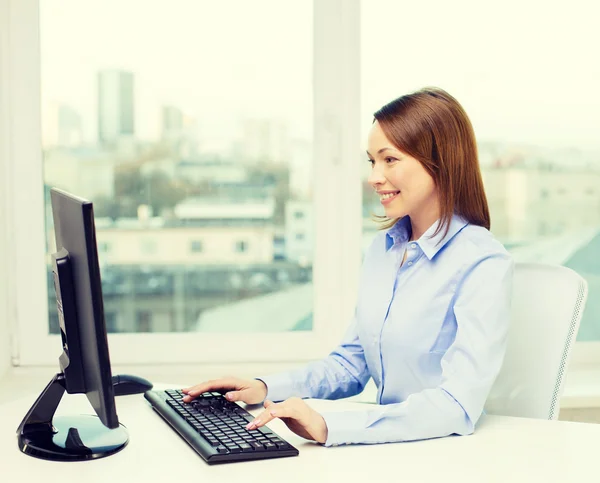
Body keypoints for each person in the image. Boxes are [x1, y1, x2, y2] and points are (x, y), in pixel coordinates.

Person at [182, 87, 514, 447]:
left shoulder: (482, 263)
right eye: (372, 161)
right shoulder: (383, 250)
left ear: (440, 162)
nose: (374, 177)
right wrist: (263, 388)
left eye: (390, 160)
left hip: (443, 451)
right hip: (384, 448)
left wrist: (331, 428)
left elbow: (456, 405)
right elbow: (352, 365)